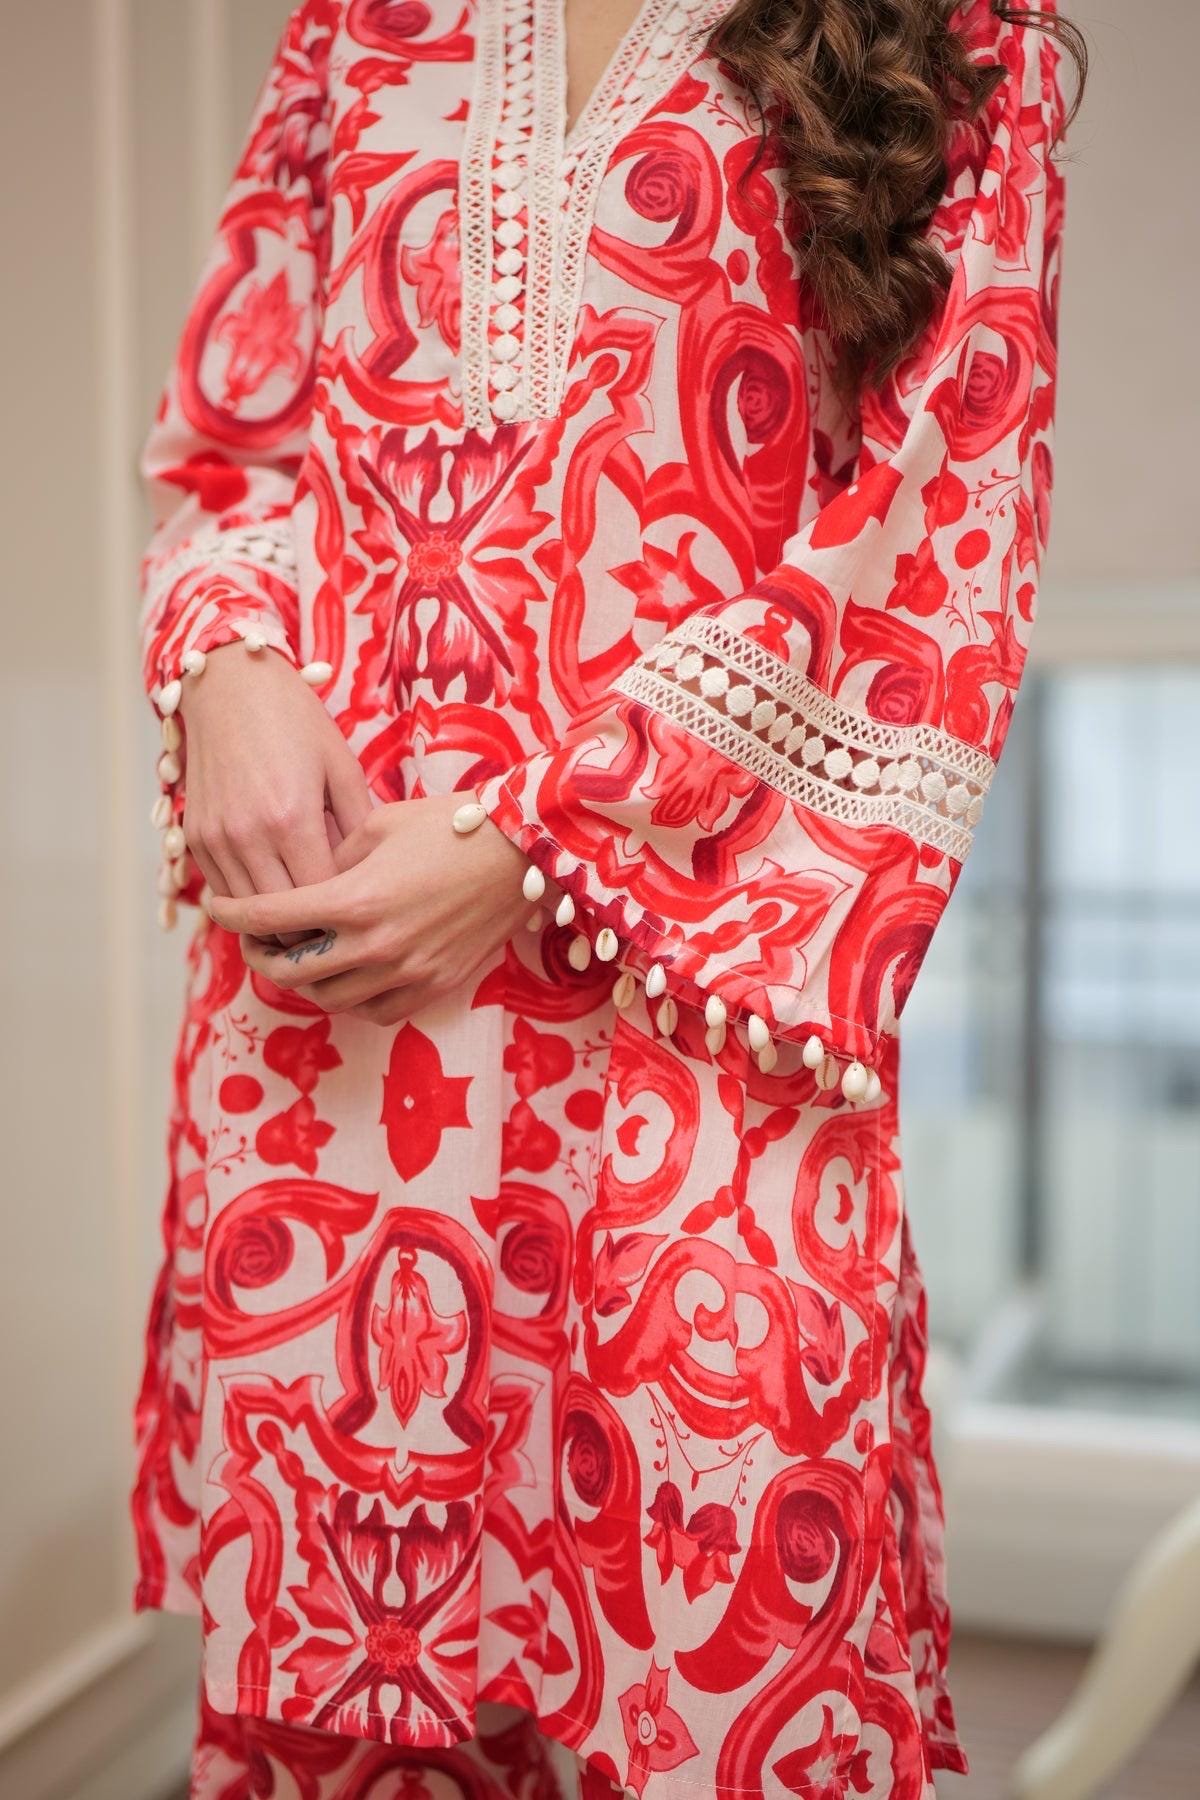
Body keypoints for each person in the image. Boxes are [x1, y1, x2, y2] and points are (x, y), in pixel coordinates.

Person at [133, 1, 1080, 1794]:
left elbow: (937, 546)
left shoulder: (966, 32)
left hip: (692, 1026)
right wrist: (226, 667)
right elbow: (232, 442)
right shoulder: (359, 23)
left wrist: (538, 839)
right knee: (361, 1714)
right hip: (341, 1040)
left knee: (714, 1671)